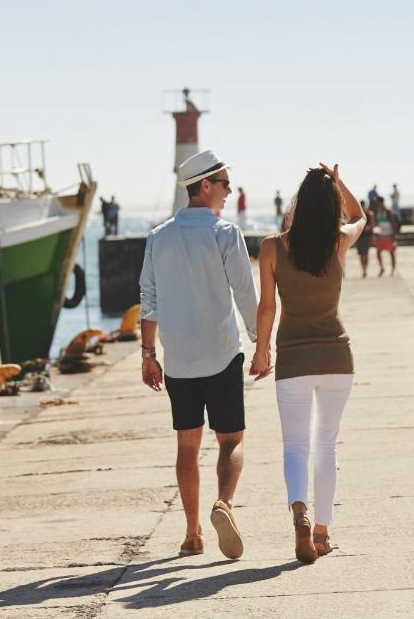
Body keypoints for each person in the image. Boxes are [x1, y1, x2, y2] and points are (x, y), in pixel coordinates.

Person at [139, 149, 260, 559]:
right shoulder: (225, 234)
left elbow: (149, 300)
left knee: (186, 446)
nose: (229, 191)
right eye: (224, 183)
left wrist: (147, 353)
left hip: (178, 360)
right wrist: (262, 341)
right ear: (205, 185)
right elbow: (246, 293)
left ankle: (192, 535)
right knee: (231, 440)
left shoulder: (158, 237)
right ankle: (223, 503)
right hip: (222, 354)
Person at [251, 163, 365, 563]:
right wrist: (338, 181)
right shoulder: (339, 241)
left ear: (298, 204)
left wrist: (261, 350)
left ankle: (299, 511)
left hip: (294, 361)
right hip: (338, 356)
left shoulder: (272, 247)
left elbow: (266, 307)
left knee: (296, 445)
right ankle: (321, 532)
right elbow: (361, 216)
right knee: (326, 445)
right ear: (330, 205)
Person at [374, 196, 397, 276]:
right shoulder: (378, 212)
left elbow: (393, 224)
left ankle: (393, 269)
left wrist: (393, 235)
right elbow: (377, 224)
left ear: (381, 202)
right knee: (378, 252)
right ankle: (382, 268)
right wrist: (376, 234)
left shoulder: (388, 212)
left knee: (391, 253)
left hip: (389, 235)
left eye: (378, 202)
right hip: (381, 236)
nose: (377, 204)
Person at [356, 199, 375, 278]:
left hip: (367, 236)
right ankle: (363, 269)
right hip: (360, 236)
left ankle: (365, 269)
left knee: (365, 254)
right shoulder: (357, 214)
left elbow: (372, 224)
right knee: (361, 255)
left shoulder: (369, 214)